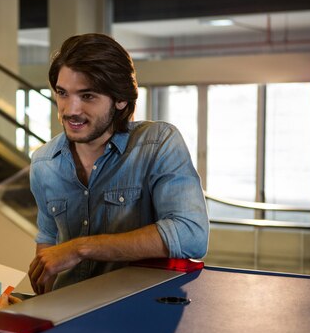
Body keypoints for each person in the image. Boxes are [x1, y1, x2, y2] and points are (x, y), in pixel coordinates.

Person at [28, 33, 209, 294]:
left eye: (87, 96)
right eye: (62, 93)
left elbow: (191, 234)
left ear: (121, 99)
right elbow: (48, 239)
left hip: (139, 311)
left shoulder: (158, 144)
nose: (70, 110)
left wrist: (80, 248)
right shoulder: (43, 162)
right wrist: (42, 289)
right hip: (66, 312)